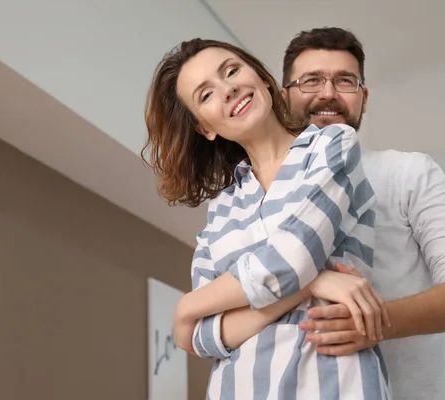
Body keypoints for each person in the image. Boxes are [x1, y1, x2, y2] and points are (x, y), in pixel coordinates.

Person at [199, 27, 445, 400]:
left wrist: (376, 322)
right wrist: (186, 314)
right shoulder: (245, 196)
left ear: (363, 98)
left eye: (344, 81)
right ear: (283, 95)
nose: (327, 93)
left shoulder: (409, 172)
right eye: (311, 81)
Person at [143, 38, 392, 399]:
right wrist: (312, 285)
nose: (228, 90)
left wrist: (187, 306)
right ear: (204, 128)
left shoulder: (332, 146)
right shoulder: (222, 208)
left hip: (335, 385)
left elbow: (292, 260)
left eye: (231, 71)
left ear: (262, 79)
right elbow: (202, 336)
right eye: (206, 95)